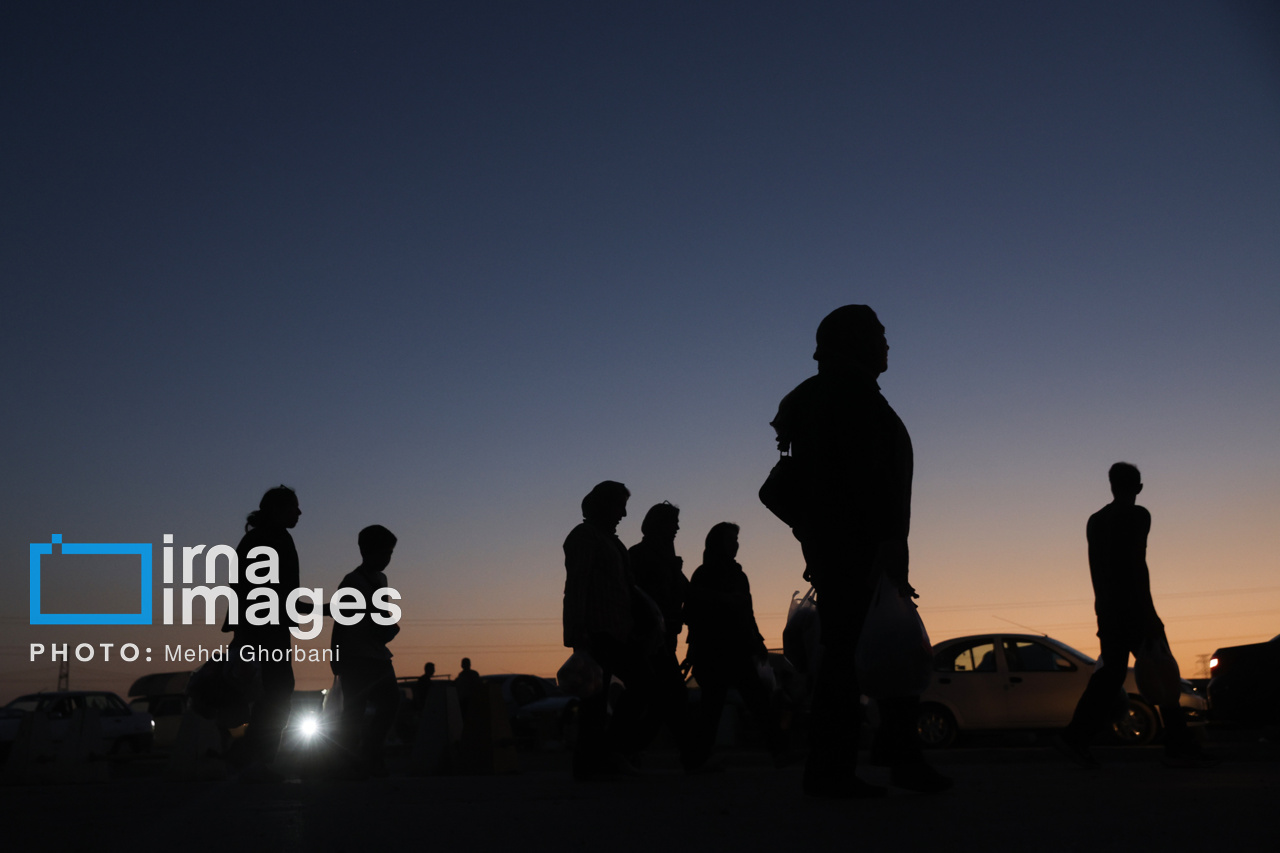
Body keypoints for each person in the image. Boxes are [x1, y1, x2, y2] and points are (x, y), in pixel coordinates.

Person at [770, 305, 949, 797]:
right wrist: (884, 545)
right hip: (858, 552)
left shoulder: (832, 394)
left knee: (870, 649)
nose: (887, 344)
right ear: (855, 342)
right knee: (860, 654)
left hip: (848, 549)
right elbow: (862, 480)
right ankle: (842, 768)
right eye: (879, 334)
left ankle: (889, 756)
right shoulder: (847, 396)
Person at [1059, 463, 1214, 767]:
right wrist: (1150, 614)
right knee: (1163, 671)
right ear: (1139, 488)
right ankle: (1179, 743)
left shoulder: (1095, 521)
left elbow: (1103, 569)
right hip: (1134, 609)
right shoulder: (1138, 516)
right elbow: (1135, 567)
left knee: (1112, 675)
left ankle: (1075, 737)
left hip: (1108, 610)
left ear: (1112, 485)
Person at [562, 480, 659, 779]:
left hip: (617, 630)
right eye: (620, 506)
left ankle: (594, 762)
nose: (624, 514)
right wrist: (576, 631)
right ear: (603, 505)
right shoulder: (585, 536)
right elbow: (577, 584)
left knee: (598, 700)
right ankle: (609, 754)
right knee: (636, 684)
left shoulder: (611, 541)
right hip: (597, 631)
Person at [221, 485, 304, 782]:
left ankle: (250, 758)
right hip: (264, 630)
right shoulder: (268, 539)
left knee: (270, 693)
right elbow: (261, 592)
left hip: (264, 627)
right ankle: (252, 758)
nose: (299, 512)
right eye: (293, 507)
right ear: (277, 510)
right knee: (276, 692)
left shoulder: (263, 538)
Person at [683, 522, 783, 768]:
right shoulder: (705, 574)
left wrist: (758, 640)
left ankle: (780, 750)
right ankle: (698, 758)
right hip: (714, 651)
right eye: (730, 540)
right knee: (716, 705)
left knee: (753, 702)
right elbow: (694, 614)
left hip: (737, 649)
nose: (735, 545)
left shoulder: (737, 575)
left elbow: (747, 612)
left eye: (736, 540)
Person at [330, 524, 402, 776]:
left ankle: (368, 754)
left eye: (390, 553)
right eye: (383, 553)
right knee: (354, 712)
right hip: (356, 656)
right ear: (365, 551)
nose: (387, 559)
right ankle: (347, 763)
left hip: (377, 654)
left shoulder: (381, 580)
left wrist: (387, 626)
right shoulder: (352, 582)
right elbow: (340, 618)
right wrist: (336, 656)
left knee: (390, 703)